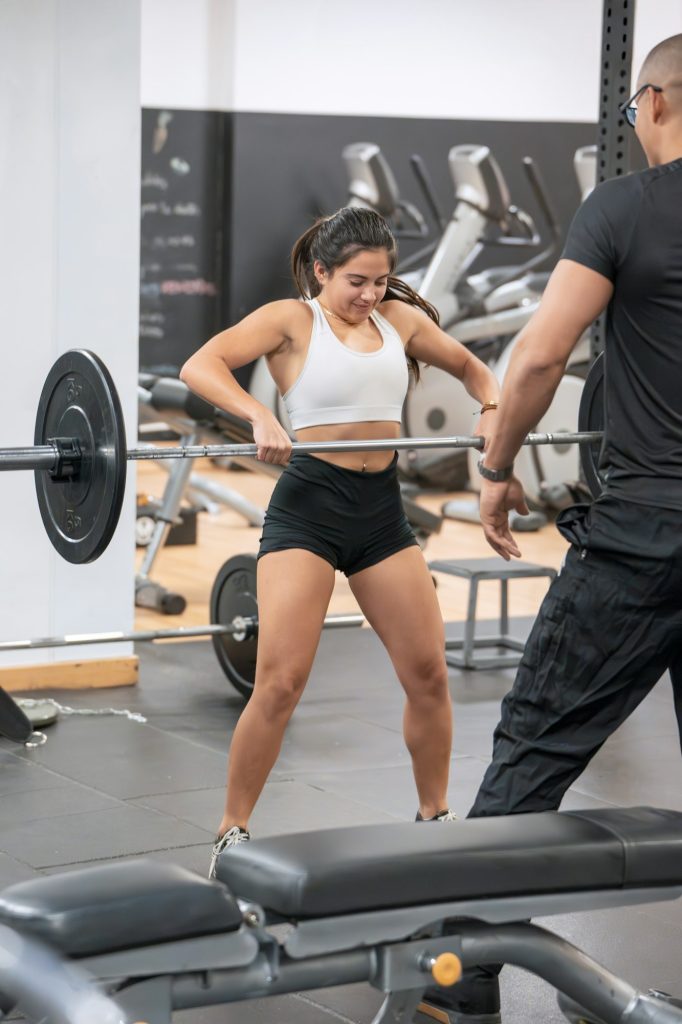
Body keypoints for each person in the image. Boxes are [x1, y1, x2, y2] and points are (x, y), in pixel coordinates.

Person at [417, 33, 682, 1024]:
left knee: (531, 750)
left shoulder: (625, 205)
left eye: (630, 112)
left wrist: (493, 471)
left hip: (644, 532)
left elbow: (533, 359)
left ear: (652, 104)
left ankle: (455, 983)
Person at [179, 206, 501, 878]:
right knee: (281, 682)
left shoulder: (400, 323)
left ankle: (433, 816)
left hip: (382, 513)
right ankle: (232, 830)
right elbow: (199, 366)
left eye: (382, 281)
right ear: (321, 271)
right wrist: (258, 411)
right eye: (357, 280)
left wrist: (494, 409)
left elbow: (476, 370)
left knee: (428, 674)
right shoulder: (290, 322)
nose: (370, 295)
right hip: (308, 509)